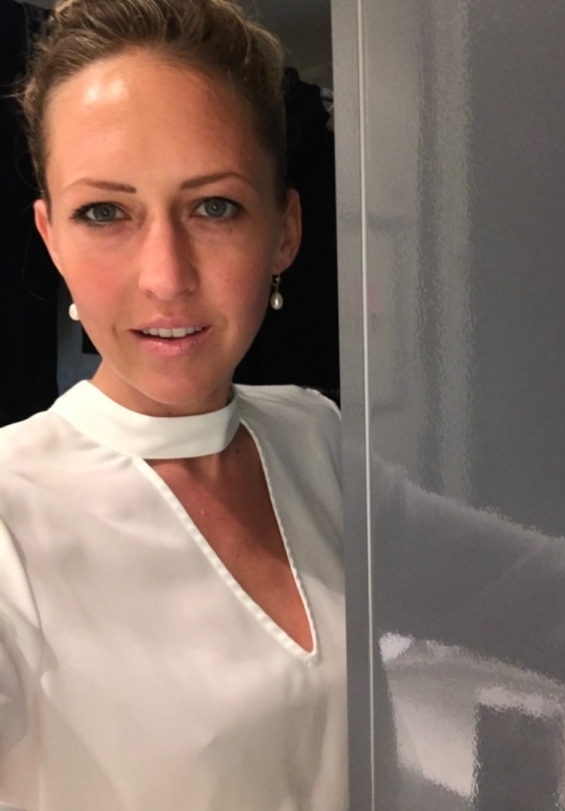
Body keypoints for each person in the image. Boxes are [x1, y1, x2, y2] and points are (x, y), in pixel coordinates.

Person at [0, 1, 347, 809]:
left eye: (214, 206)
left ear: (284, 229)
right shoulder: (11, 507)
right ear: (51, 238)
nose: (166, 277)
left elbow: (543, 588)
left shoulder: (314, 432)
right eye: (104, 213)